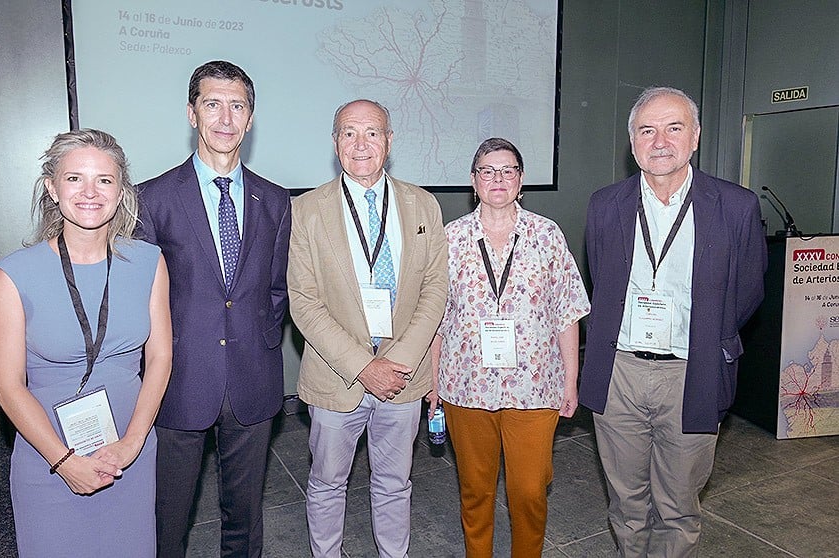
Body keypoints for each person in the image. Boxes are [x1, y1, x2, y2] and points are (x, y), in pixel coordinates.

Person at [580, 87, 766, 557]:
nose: (659, 140)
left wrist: (705, 336)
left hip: (693, 372)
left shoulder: (737, 207)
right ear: (632, 142)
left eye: (673, 127)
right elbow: (600, 277)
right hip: (620, 372)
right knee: (626, 503)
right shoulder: (605, 205)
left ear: (696, 136)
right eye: (647, 130)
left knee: (679, 507)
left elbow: (747, 292)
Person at [0, 129, 173, 557]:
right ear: (52, 188)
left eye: (104, 180)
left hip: (130, 449)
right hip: (48, 455)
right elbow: (7, 386)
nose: (90, 192)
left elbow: (160, 358)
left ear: (121, 191)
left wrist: (132, 443)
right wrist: (63, 462)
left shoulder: (149, 262)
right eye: (74, 179)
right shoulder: (14, 275)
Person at [136, 60, 291, 558]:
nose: (225, 118)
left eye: (237, 106)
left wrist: (261, 339)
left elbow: (276, 287)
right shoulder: (152, 199)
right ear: (191, 113)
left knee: (244, 518)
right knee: (169, 517)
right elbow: (144, 297)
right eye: (212, 105)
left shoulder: (275, 199)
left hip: (253, 377)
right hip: (178, 380)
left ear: (250, 119)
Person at [287, 99, 448, 557]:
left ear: (389, 141)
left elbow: (436, 288)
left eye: (372, 133)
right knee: (326, 484)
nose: (361, 144)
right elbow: (304, 301)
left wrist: (395, 362)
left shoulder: (422, 204)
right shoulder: (307, 210)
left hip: (404, 376)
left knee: (396, 483)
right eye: (349, 133)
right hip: (337, 377)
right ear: (335, 142)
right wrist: (363, 366)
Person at [427, 138, 589, 557]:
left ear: (521, 180)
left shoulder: (546, 235)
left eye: (507, 170)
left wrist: (570, 381)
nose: (497, 179)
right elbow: (437, 321)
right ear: (473, 181)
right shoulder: (451, 238)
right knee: (474, 492)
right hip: (466, 388)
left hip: (535, 388)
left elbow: (567, 311)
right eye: (487, 170)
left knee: (529, 492)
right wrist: (433, 388)